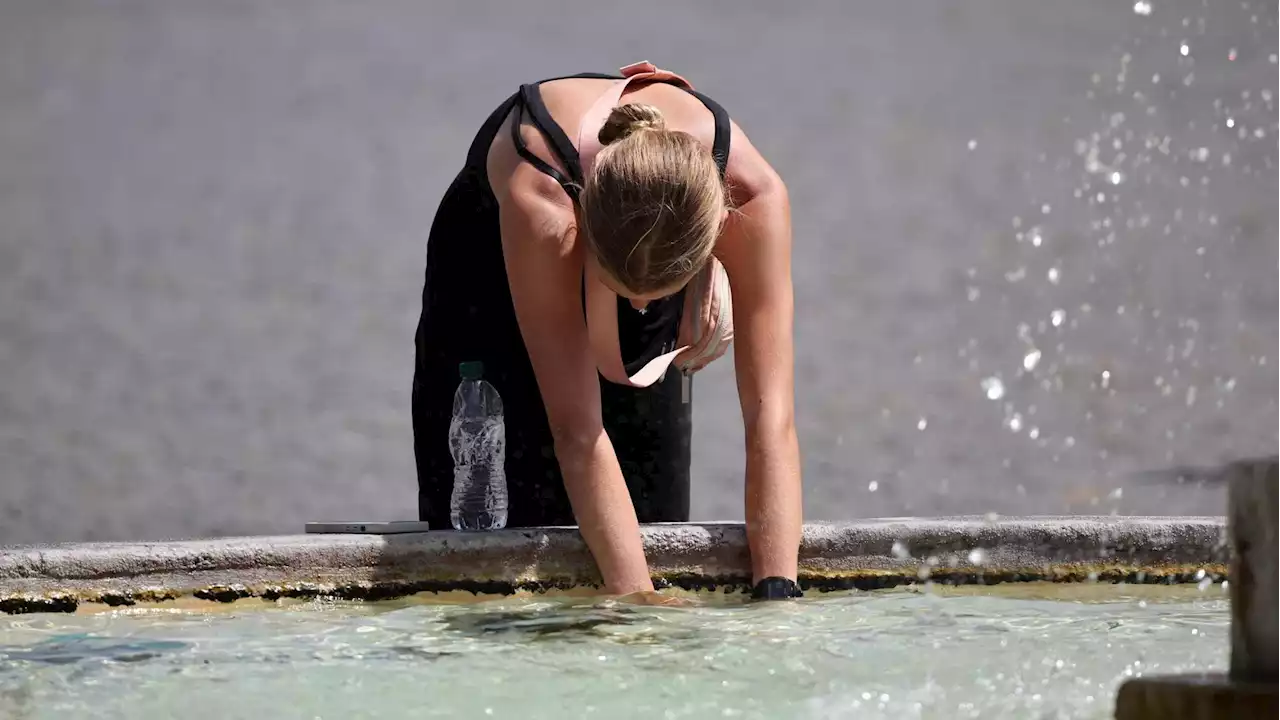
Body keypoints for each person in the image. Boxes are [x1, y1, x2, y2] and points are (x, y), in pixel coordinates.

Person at [412, 62, 802, 601]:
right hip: (490, 292)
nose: (639, 307)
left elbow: (771, 417)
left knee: (652, 517)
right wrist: (640, 604)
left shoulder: (753, 196)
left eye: (655, 299)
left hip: (640, 241)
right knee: (499, 547)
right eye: (624, 292)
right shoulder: (543, 201)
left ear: (714, 233)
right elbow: (577, 431)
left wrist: (777, 593)